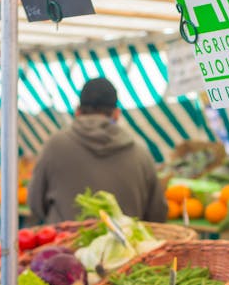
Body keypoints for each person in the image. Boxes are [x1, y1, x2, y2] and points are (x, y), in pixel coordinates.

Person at [28, 77, 168, 223]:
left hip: (64, 244)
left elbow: (35, 205)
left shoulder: (54, 146)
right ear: (116, 114)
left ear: (77, 111)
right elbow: (157, 215)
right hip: (124, 244)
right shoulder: (141, 153)